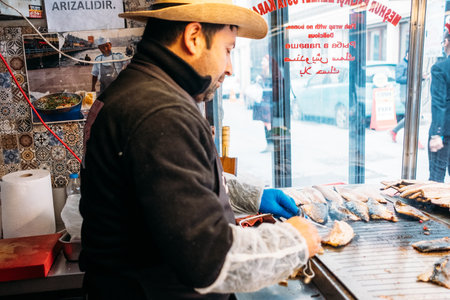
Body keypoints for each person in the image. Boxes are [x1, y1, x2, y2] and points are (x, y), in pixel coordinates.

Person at [80, 1, 321, 299]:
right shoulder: (160, 111)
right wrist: (294, 241)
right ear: (193, 37)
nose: (230, 68)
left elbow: (167, 187)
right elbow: (209, 259)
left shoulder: (135, 90)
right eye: (228, 50)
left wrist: (251, 197)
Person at [428, 30, 450, 182]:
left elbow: (439, 103)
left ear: (447, 42)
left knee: (436, 179)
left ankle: (435, 207)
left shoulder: (440, 68)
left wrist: (436, 134)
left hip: (445, 132)